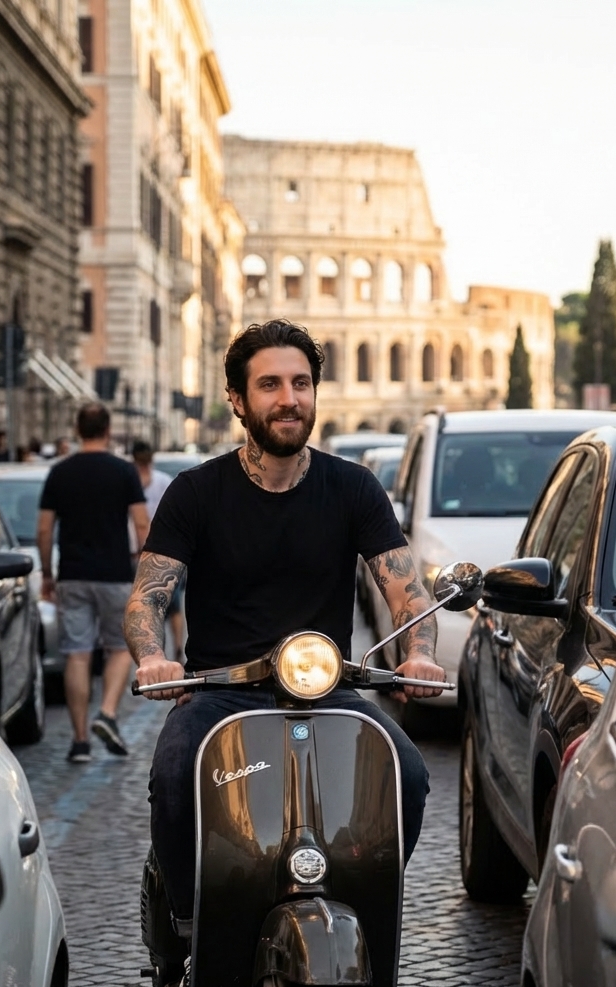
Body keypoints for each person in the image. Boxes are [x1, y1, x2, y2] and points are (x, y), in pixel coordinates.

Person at [125, 319, 446, 937]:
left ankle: (367, 908)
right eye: (269, 384)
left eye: (301, 383)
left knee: (407, 774)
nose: (289, 398)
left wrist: (420, 654)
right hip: (220, 691)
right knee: (172, 778)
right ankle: (191, 925)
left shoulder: (353, 487)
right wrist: (152, 658)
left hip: (329, 689)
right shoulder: (195, 492)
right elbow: (146, 599)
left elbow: (407, 591)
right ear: (239, 401)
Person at [39, 401, 150, 763]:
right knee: (120, 648)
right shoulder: (124, 472)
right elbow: (141, 523)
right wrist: (144, 565)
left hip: (72, 574)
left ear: (77, 429)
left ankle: (80, 740)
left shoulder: (60, 472)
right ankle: (108, 712)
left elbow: (44, 528)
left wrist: (46, 573)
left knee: (77, 653)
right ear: (107, 429)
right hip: (115, 573)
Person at [129, 440, 185, 660]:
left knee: (145, 603)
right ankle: (176, 647)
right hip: (166, 552)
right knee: (172, 606)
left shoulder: (134, 481)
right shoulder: (164, 481)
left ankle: (156, 652)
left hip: (145, 551)